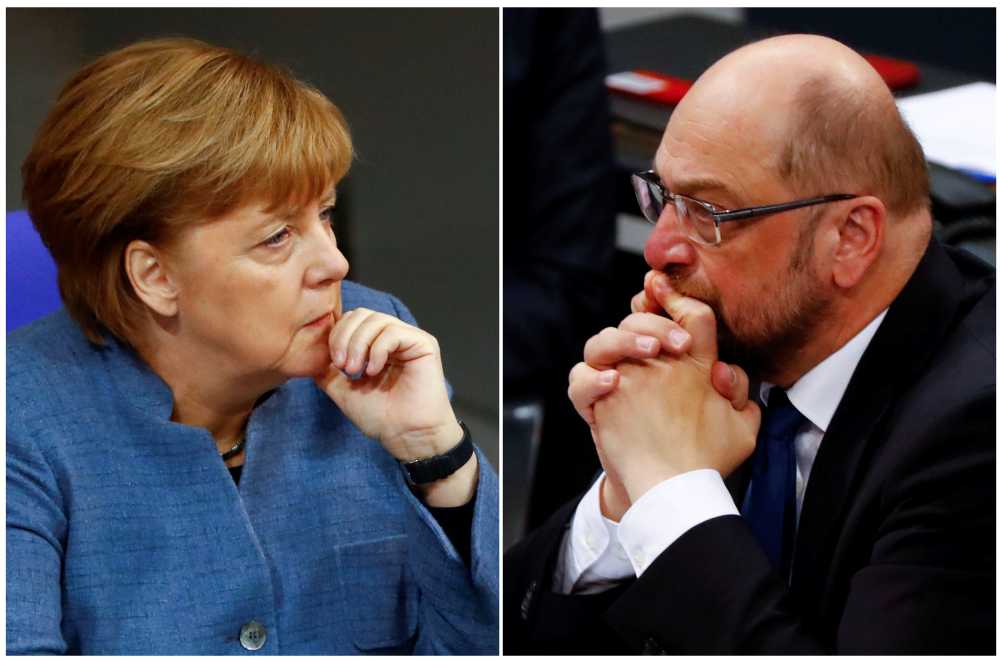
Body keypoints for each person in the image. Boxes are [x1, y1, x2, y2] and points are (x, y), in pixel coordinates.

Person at [504, 34, 994, 654]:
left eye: (709, 211)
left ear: (850, 236)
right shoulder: (718, 355)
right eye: (661, 197)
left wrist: (670, 487)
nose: (659, 248)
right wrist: (621, 495)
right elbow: (511, 628)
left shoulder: (977, 432)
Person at [7, 38, 498, 655]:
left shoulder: (379, 343)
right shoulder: (20, 419)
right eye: (276, 237)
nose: (336, 262)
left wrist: (437, 456)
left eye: (325, 214)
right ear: (154, 276)